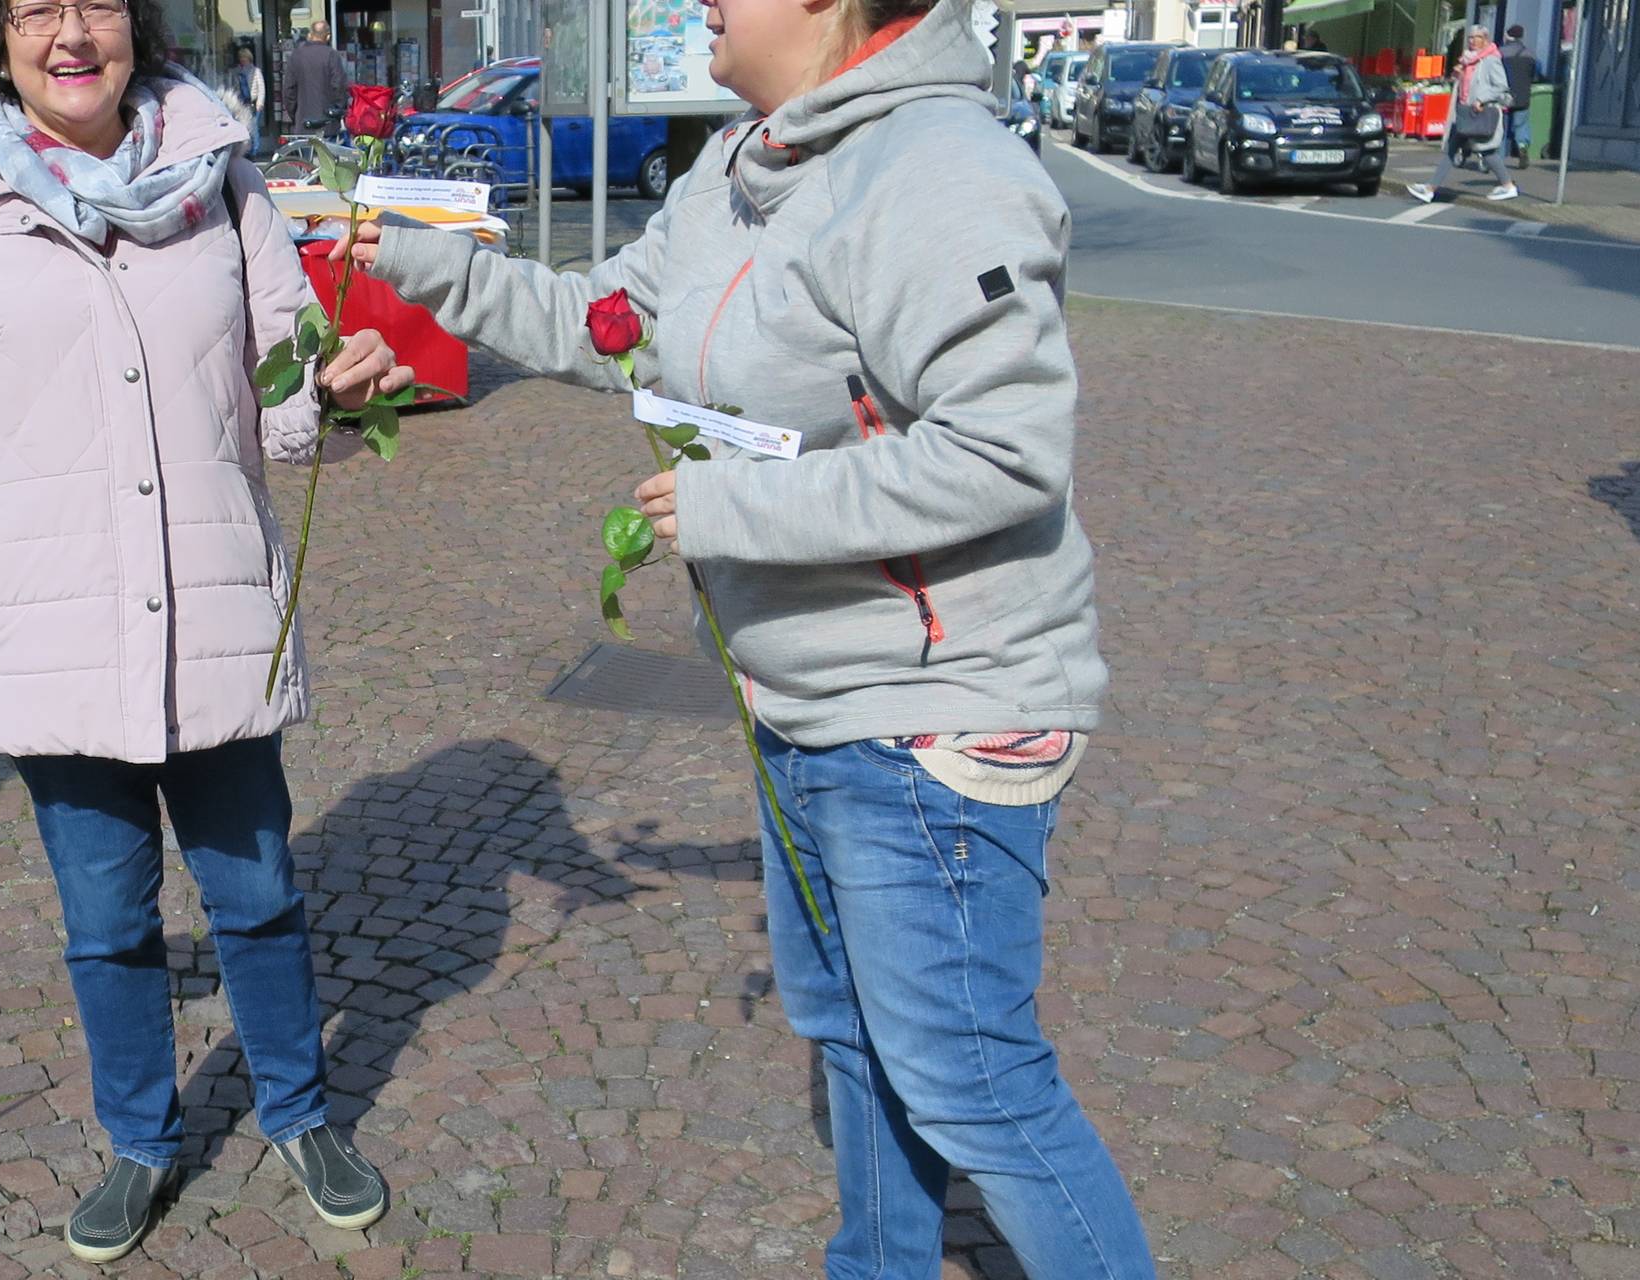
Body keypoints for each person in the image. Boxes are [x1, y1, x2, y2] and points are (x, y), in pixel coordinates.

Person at [341, 0, 1159, 1273]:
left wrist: (736, 507)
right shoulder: (742, 164)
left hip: (937, 709)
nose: (703, 4)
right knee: (848, 1033)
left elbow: (1006, 453)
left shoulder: (942, 170)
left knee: (971, 1084)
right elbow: (607, 322)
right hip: (804, 696)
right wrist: (406, 250)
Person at [0, 0, 416, 1262]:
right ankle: (142, 1139)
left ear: (134, 26)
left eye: (95, 2)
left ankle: (299, 1110)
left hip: (210, 600)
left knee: (258, 892)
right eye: (35, 7)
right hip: (46, 622)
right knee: (106, 917)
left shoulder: (218, 172)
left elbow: (282, 384)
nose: (69, 33)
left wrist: (326, 385)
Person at [1413, 27, 1518, 203]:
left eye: (1476, 38)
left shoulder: (1491, 60)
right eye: (1470, 38)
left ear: (1485, 39)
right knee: (1451, 150)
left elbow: (1501, 86)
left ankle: (1508, 186)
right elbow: (1466, 86)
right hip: (1464, 114)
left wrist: (1481, 99)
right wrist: (1458, 75)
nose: (1472, 41)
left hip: (1480, 113)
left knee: (1487, 152)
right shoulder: (1468, 61)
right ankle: (1430, 188)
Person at [286, 19, 347, 128]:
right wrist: (338, 110)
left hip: (303, 122)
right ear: (328, 36)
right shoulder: (331, 55)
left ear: (310, 35)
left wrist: (295, 114)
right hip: (327, 122)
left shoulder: (296, 55)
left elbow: (289, 90)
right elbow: (338, 86)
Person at [1500, 24, 1536, 169]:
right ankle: (1522, 147)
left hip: (1503, 96)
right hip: (1523, 96)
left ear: (1508, 36)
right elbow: (1535, 73)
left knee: (1501, 127)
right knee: (1521, 125)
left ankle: (1498, 158)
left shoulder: (1499, 53)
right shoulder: (1529, 54)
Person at [228, 42, 267, 120]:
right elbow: (232, 85)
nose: (242, 59)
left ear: (249, 58)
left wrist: (260, 103)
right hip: (240, 103)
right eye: (241, 57)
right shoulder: (236, 71)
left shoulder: (256, 71)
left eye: (244, 57)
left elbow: (261, 88)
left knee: (254, 126)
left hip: (252, 103)